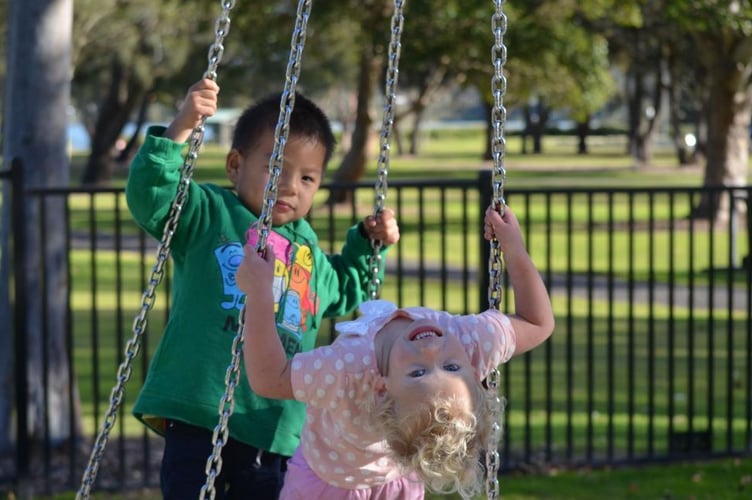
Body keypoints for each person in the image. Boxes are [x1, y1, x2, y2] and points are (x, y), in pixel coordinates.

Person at [125, 78, 400, 499]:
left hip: (275, 427)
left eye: (308, 177)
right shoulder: (209, 215)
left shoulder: (306, 253)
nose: (291, 186)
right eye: (276, 168)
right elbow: (153, 194)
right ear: (236, 165)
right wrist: (181, 127)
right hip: (201, 413)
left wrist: (368, 240)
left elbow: (347, 289)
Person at [236, 205, 555, 499]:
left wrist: (260, 292)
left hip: (329, 485)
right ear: (474, 369)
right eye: (452, 367)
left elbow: (269, 379)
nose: (432, 352)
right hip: (368, 476)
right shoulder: (469, 342)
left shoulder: (348, 370)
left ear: (381, 385)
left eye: (418, 373)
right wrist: (514, 248)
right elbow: (537, 323)